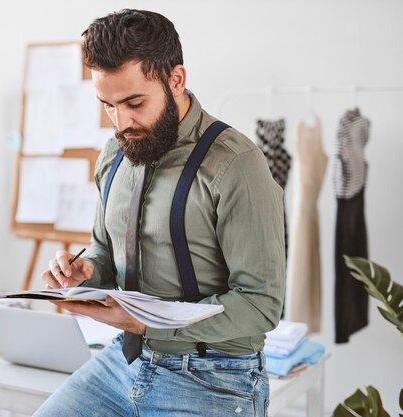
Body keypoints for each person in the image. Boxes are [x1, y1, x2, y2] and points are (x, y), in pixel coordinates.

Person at [36, 9, 285, 417]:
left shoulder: (238, 165)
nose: (121, 122)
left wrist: (147, 325)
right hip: (124, 361)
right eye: (108, 105)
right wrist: (85, 273)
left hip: (213, 378)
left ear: (176, 79)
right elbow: (102, 249)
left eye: (134, 102)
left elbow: (262, 304)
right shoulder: (115, 153)